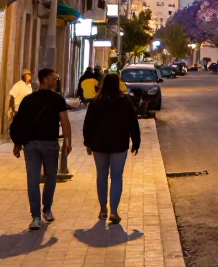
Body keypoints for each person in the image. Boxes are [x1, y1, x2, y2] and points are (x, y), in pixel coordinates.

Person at [10, 67, 72, 230]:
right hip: (49, 143)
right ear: (44, 79)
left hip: (30, 144)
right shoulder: (57, 99)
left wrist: (17, 144)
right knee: (51, 177)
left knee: (33, 180)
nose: (55, 80)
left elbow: (19, 123)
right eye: (53, 78)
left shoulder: (28, 100)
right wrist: (67, 141)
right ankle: (47, 209)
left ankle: (36, 217)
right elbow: (65, 122)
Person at [82, 73, 140, 224]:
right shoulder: (125, 102)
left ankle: (103, 209)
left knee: (101, 175)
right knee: (116, 176)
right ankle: (113, 211)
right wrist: (136, 142)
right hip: (119, 144)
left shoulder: (95, 103)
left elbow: (88, 124)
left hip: (99, 144)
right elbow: (133, 123)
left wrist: (88, 143)